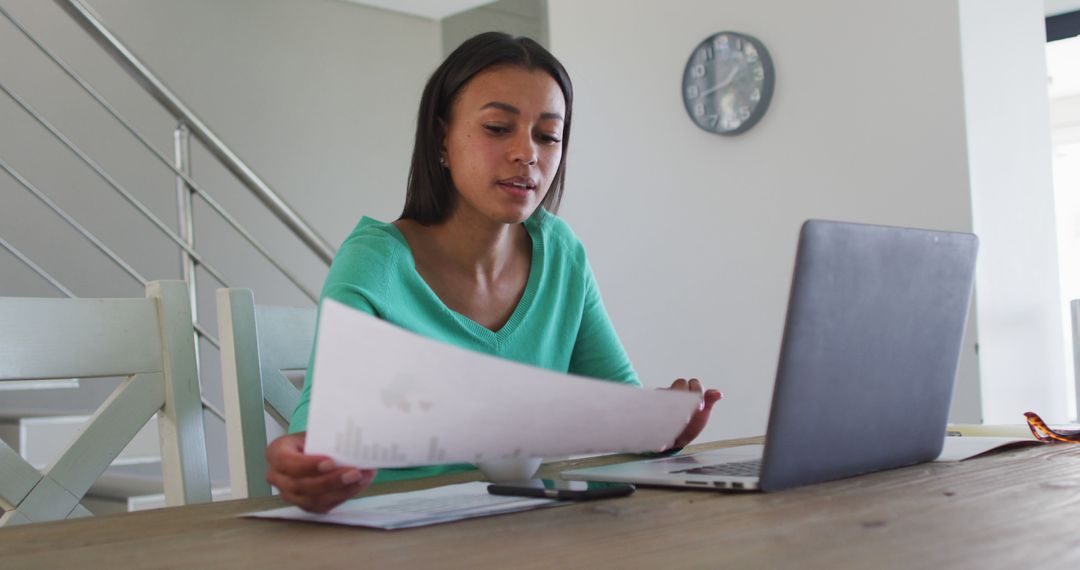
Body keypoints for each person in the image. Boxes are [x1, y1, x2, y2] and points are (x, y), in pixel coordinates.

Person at [265, 32, 722, 513]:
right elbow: (316, 430)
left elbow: (625, 416)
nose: (527, 153)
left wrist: (665, 428)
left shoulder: (561, 254)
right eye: (498, 127)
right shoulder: (375, 261)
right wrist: (302, 462)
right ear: (441, 137)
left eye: (547, 136)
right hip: (396, 534)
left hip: (521, 529)